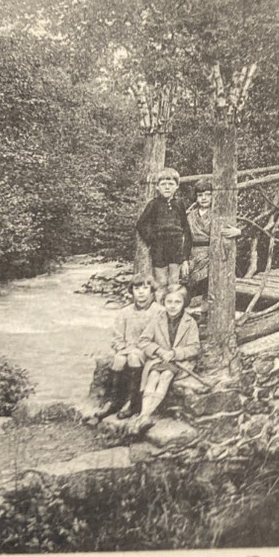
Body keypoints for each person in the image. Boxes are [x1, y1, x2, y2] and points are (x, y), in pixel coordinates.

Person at [91, 278, 160, 421]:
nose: (141, 292)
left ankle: (132, 402)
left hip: (149, 351)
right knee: (119, 358)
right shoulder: (125, 312)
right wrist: (122, 347)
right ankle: (113, 401)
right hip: (128, 350)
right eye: (136, 289)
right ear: (132, 292)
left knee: (133, 356)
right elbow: (117, 338)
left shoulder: (159, 311)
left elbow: (161, 338)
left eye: (145, 288)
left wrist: (140, 349)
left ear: (152, 291)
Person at [135, 284, 201, 430]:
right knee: (152, 375)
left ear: (184, 303)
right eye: (169, 302)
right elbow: (143, 341)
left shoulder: (190, 323)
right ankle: (144, 415)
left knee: (165, 375)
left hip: (179, 362)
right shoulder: (157, 319)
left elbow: (195, 347)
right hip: (159, 359)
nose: (172, 306)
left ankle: (145, 415)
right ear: (163, 302)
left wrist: (174, 353)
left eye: (177, 302)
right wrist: (159, 351)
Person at [135, 167, 192, 298]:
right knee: (161, 282)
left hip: (176, 247)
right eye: (163, 184)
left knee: (174, 282)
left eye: (171, 184)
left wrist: (185, 257)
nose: (167, 187)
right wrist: (152, 239)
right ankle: (160, 310)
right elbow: (141, 224)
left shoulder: (179, 204)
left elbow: (185, 228)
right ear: (157, 187)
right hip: (159, 248)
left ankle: (172, 310)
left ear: (177, 186)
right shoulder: (154, 204)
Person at [185, 181, 213, 296]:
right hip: (194, 254)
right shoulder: (190, 216)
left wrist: (238, 231)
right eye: (200, 195)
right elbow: (186, 240)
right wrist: (184, 260)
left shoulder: (218, 213)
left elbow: (229, 229)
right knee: (190, 285)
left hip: (211, 253)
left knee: (209, 284)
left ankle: (205, 310)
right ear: (196, 197)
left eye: (207, 194)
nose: (204, 198)